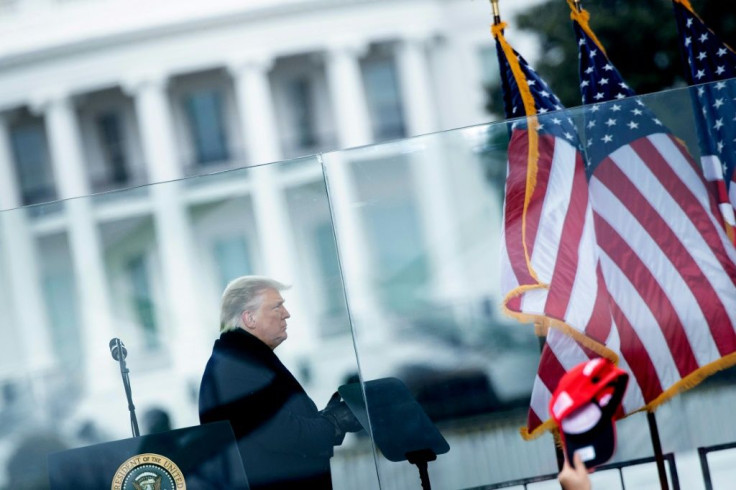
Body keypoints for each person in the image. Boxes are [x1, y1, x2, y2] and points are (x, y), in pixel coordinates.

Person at [198, 276, 361, 490]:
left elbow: (275, 429)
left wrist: (324, 419)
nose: (286, 314)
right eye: (277, 307)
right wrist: (334, 422)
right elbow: (283, 435)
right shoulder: (234, 368)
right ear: (250, 318)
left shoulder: (243, 361)